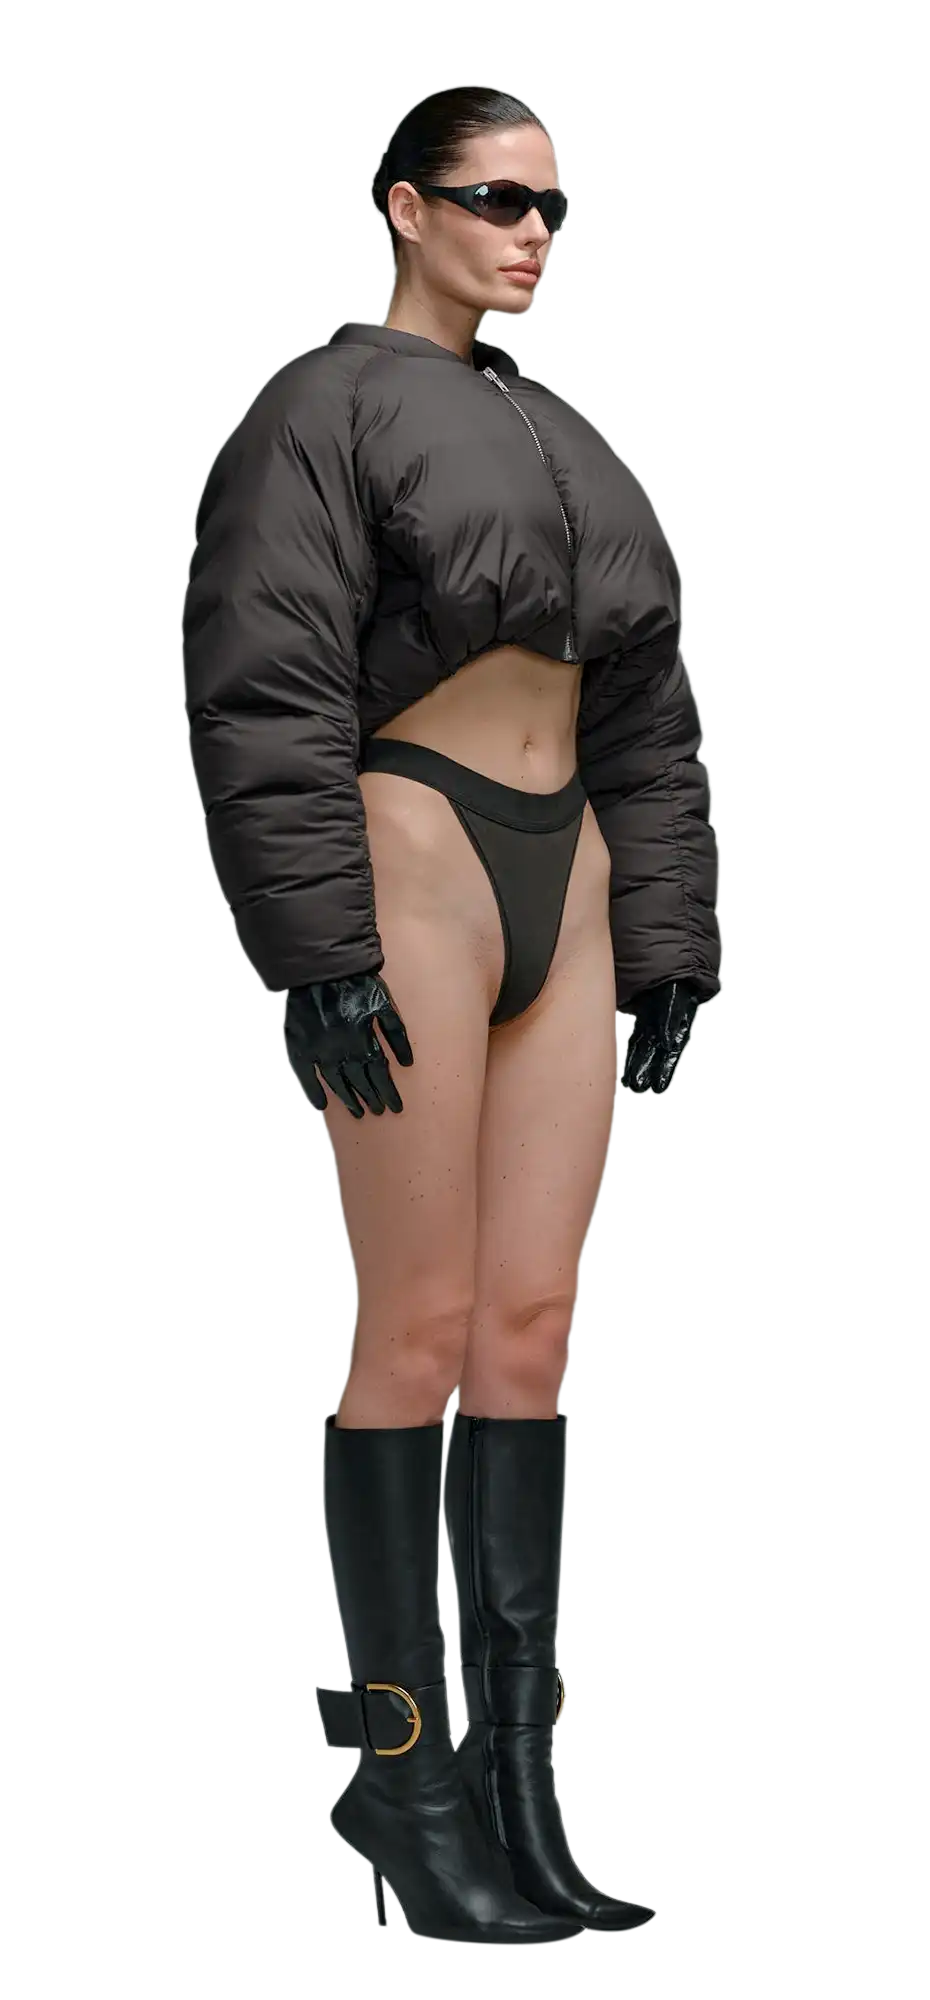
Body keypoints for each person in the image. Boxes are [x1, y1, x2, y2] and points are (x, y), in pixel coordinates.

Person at [181, 84, 721, 1947]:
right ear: (405, 207)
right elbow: (261, 675)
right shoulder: (320, 408)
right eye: (495, 197)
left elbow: (648, 711)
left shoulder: (570, 434)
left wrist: (668, 938)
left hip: (570, 875)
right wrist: (310, 941)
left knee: (529, 1331)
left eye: (551, 206)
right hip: (412, 852)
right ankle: (406, 1789)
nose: (531, 231)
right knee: (412, 1327)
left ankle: (519, 1791)